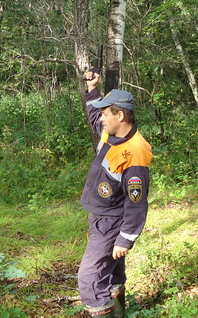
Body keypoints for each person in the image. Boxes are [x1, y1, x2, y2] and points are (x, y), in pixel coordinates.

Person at [77, 68, 153, 317]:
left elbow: (137, 202)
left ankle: (104, 310)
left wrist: (126, 238)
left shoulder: (136, 151)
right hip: (100, 215)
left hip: (111, 222)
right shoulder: (110, 133)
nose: (101, 118)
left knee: (89, 277)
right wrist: (92, 89)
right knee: (113, 273)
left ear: (120, 115)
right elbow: (92, 116)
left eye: (105, 114)